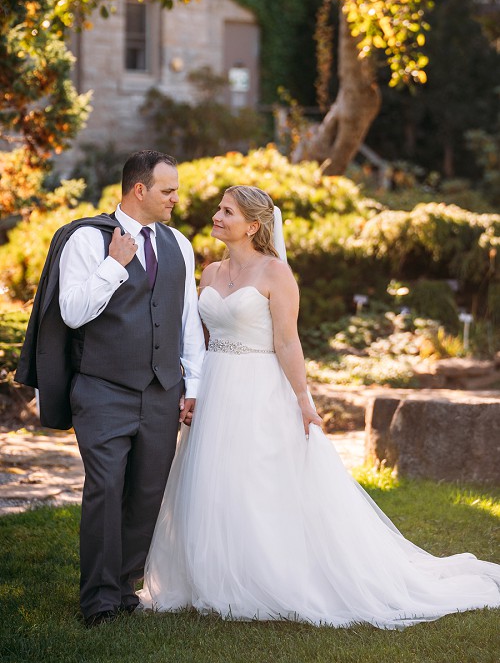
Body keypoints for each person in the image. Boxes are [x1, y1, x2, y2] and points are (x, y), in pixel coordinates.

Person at [138, 184, 500, 629]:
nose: (216, 215)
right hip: (215, 385)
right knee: (210, 477)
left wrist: (303, 400)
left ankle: (264, 576)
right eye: (219, 208)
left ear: (252, 226)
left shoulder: (276, 275)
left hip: (258, 388)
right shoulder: (210, 273)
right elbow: (198, 338)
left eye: (226, 211)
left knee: (257, 481)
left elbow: (288, 342)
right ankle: (206, 577)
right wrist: (192, 387)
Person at [16, 150, 205, 628]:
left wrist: (192, 385)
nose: (176, 200)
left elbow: (186, 319)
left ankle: (124, 588)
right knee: (105, 488)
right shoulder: (87, 239)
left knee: (147, 491)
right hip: (103, 390)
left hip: (162, 389)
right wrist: (114, 265)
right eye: (168, 191)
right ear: (138, 190)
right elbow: (73, 311)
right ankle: (98, 600)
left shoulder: (178, 243)